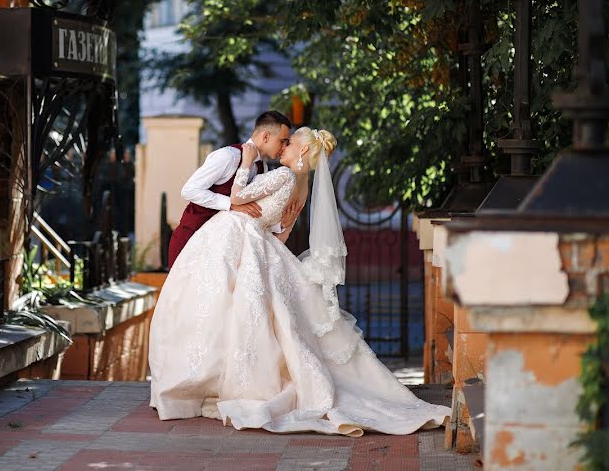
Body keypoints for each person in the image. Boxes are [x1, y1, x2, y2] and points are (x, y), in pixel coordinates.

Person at [149, 127, 450, 436]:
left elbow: (237, 197)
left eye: (290, 143)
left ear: (304, 151)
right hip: (258, 240)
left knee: (221, 310)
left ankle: (204, 382)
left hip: (235, 233)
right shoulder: (302, 186)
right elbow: (281, 233)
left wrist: (245, 163)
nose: (284, 147)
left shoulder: (284, 177)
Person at [167, 111, 299, 270]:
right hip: (191, 240)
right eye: (282, 141)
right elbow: (189, 190)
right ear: (266, 136)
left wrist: (280, 226)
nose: (284, 147)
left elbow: (254, 212)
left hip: (220, 250)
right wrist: (231, 204)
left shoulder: (261, 167)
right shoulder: (228, 156)